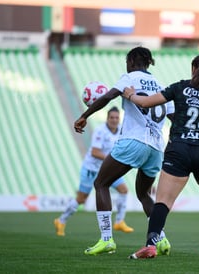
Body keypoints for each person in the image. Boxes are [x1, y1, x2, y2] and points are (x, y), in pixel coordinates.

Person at [122, 54, 199, 259]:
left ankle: (150, 246)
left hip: (178, 150)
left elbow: (145, 103)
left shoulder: (180, 87)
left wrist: (130, 95)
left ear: (193, 68)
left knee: (162, 201)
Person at [73, 46, 174, 255]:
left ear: (131, 61)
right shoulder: (161, 86)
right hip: (156, 148)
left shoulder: (129, 78)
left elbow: (108, 96)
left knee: (101, 183)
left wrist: (85, 115)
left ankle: (107, 239)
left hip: (133, 141)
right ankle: (161, 239)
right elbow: (174, 117)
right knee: (144, 194)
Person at [54, 107, 134, 236]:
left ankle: (119, 221)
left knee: (123, 190)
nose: (114, 120)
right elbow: (95, 152)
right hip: (92, 168)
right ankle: (61, 220)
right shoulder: (100, 131)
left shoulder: (121, 131)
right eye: (112, 117)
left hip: (107, 169)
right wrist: (113, 159)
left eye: (116, 118)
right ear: (107, 119)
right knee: (81, 199)